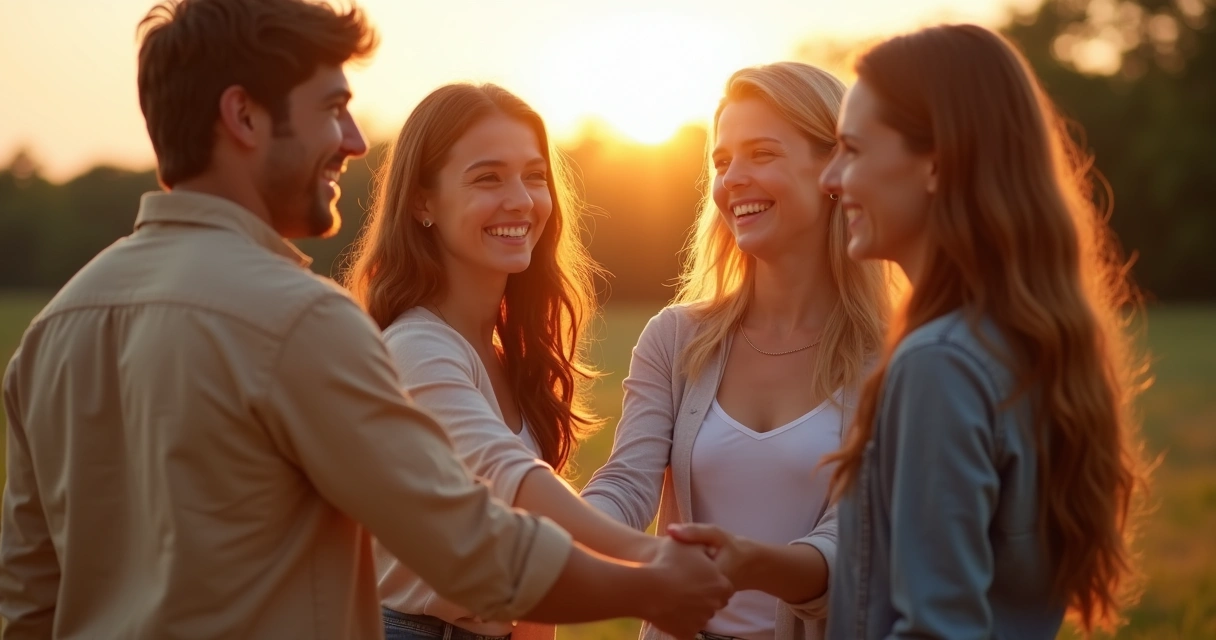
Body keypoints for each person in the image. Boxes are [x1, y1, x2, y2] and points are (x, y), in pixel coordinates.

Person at [0, 1, 731, 638]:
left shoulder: (54, 329)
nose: (353, 140)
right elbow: (469, 546)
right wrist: (650, 584)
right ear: (243, 116)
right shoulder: (299, 320)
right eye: (331, 108)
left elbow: (29, 602)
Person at [817, 23, 1150, 639]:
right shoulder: (1022, 343)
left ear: (937, 163)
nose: (830, 179)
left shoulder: (940, 363)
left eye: (852, 150)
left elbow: (937, 628)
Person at [343, 82, 680, 640]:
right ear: (423, 202)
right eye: (488, 178)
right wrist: (649, 557)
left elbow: (531, 554)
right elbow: (509, 475)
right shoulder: (414, 347)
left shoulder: (510, 358)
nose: (521, 200)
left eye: (534, 175)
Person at [580, 62, 892, 640]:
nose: (732, 181)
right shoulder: (675, 338)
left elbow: (852, 543)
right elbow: (626, 485)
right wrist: (541, 533)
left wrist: (749, 563)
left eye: (762, 154)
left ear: (834, 169)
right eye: (722, 162)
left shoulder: (893, 359)